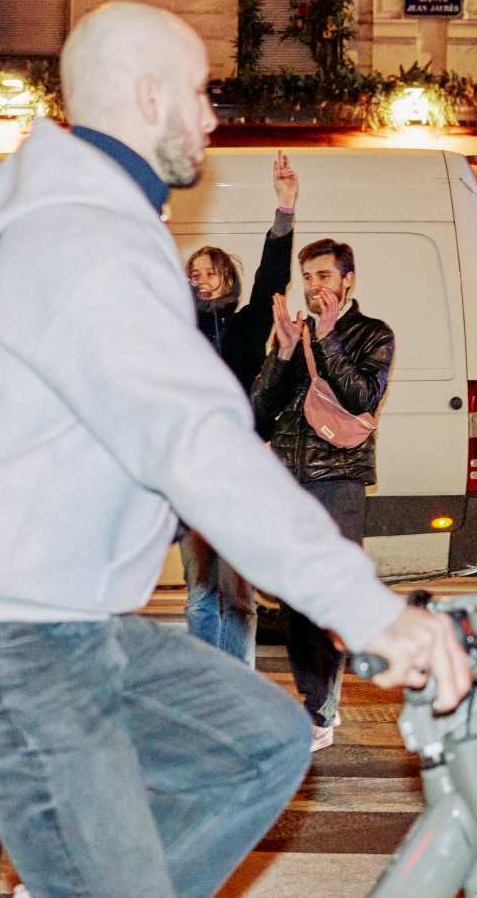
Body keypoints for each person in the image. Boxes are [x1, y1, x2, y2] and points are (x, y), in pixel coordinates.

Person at [0, 4, 470, 898]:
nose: (212, 116)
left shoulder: (103, 229)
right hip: (2, 637)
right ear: (147, 96)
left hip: (66, 625)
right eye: (197, 92)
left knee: (264, 740)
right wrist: (369, 610)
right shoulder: (89, 243)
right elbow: (198, 444)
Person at [251, 237, 395, 751]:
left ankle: (320, 711)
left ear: (347, 279)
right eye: (308, 277)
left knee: (325, 596)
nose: (315, 287)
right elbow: (260, 413)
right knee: (294, 599)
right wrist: (284, 352)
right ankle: (314, 701)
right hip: (289, 480)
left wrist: (329, 340)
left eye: (325, 277)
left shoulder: (372, 334)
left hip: (337, 479)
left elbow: (362, 397)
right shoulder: (296, 330)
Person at [179, 151, 297, 666]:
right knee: (201, 590)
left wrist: (285, 209)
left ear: (227, 277)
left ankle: (240, 682)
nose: (200, 280)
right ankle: (209, 686)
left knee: (239, 594)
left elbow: (273, 275)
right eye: (193, 273)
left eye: (208, 272)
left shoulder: (249, 323)